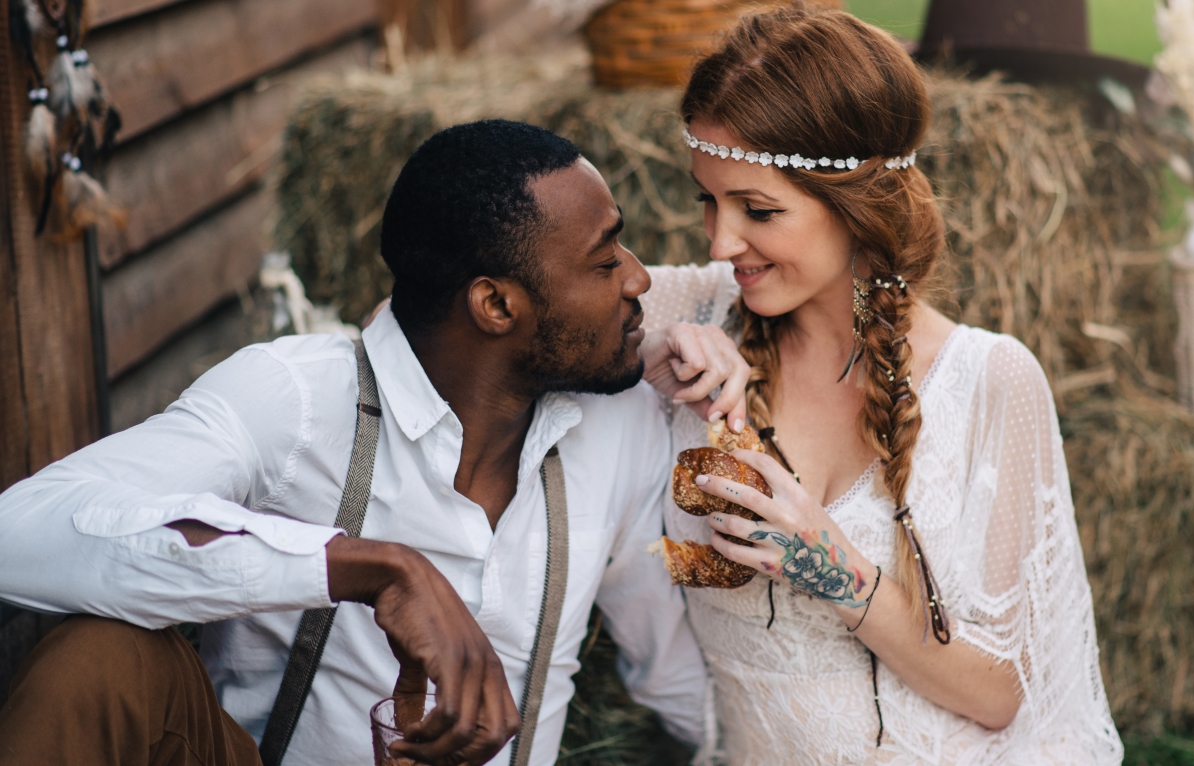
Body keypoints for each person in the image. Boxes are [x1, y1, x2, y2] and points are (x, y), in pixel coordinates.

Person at [0, 120, 750, 766]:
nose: (641, 279)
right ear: (495, 304)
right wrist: (367, 569)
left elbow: (668, 660)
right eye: (605, 259)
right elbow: (18, 535)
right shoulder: (299, 400)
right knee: (98, 662)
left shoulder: (616, 431)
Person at [638, 7, 1122, 764]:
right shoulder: (692, 312)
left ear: (855, 206)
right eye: (708, 197)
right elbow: (418, 322)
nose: (719, 240)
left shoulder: (992, 380)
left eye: (757, 210)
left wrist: (833, 566)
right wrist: (644, 351)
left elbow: (1000, 694)